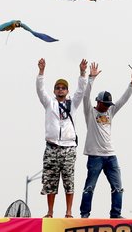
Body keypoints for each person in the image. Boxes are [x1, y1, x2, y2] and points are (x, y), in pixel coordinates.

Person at [79, 62, 132, 219]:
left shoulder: (111, 110)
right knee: (89, 187)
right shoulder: (90, 112)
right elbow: (85, 96)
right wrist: (91, 78)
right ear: (98, 102)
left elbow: (122, 101)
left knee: (118, 187)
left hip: (111, 155)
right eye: (104, 104)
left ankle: (116, 214)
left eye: (108, 105)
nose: (107, 107)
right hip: (95, 156)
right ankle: (84, 214)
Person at [36, 57, 88, 218]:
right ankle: (50, 212)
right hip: (51, 146)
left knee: (68, 180)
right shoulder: (49, 103)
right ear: (54, 91)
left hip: (68, 147)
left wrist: (82, 73)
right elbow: (40, 90)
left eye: (63, 88)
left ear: (67, 91)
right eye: (58, 88)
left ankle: (68, 212)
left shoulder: (72, 104)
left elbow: (81, 90)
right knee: (50, 181)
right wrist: (41, 72)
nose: (60, 90)